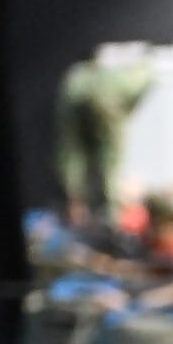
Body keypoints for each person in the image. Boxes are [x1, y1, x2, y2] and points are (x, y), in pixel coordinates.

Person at [54, 56, 155, 227]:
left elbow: (71, 149)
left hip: (79, 93)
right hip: (104, 96)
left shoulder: (77, 80)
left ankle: (87, 208)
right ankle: (111, 219)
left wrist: (74, 195)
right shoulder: (132, 79)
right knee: (110, 162)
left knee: (81, 154)